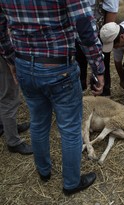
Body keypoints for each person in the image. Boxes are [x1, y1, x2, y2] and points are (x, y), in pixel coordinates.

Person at [0, 0, 105, 195]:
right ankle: (71, 183)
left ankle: (44, 171)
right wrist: (97, 66)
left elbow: (1, 26)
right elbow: (84, 24)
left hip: (25, 64)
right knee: (70, 129)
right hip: (58, 68)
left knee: (38, 122)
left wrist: (10, 58)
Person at [76, 0, 119, 94]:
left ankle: (101, 91)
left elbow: (112, 10)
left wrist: (105, 35)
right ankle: (81, 89)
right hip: (79, 29)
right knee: (79, 61)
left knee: (101, 63)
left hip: (98, 31)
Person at [0, 56, 32, 155]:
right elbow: (4, 41)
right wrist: (12, 61)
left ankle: (6, 126)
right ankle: (13, 142)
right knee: (9, 98)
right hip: (3, 57)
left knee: (3, 91)